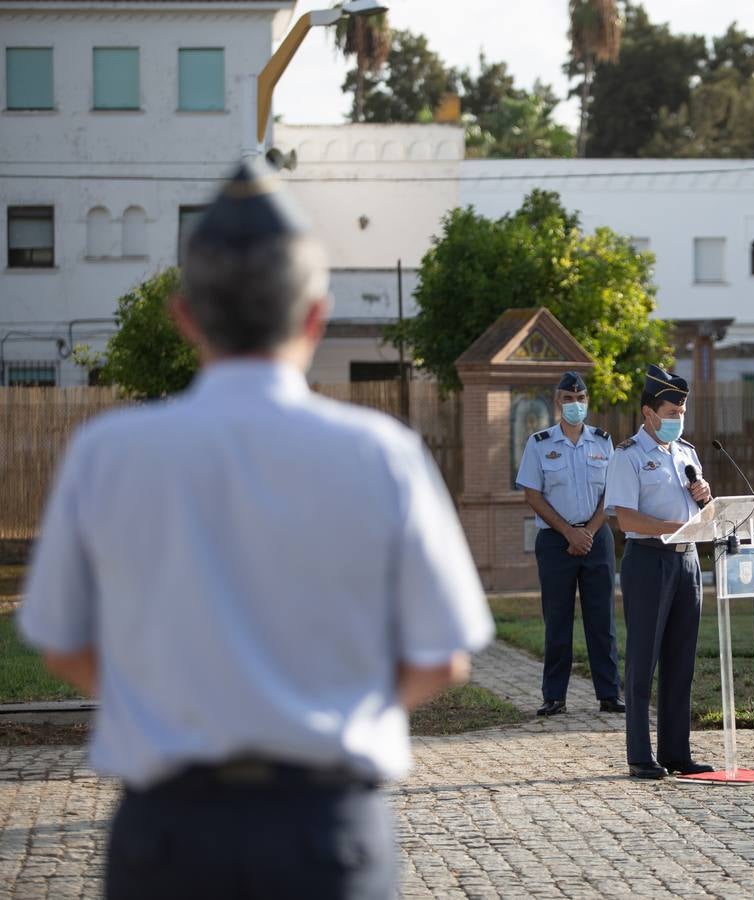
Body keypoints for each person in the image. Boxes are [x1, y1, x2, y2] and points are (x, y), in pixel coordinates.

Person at [18, 159, 494, 900]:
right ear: (315, 316)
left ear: (185, 316)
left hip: (167, 836)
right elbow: (443, 658)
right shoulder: (380, 454)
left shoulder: (108, 454)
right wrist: (326, 706)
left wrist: (170, 704)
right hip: (325, 836)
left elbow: (62, 642)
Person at [605, 364, 715, 779]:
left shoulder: (687, 453)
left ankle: (676, 753)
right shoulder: (627, 456)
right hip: (648, 561)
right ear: (648, 413)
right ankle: (640, 755)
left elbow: (700, 507)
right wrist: (675, 528)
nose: (677, 419)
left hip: (688, 561)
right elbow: (628, 519)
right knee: (643, 660)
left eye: (682, 412)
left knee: (680, 659)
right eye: (671, 412)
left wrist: (705, 497)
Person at [514, 371, 623, 716]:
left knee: (601, 620)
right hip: (555, 540)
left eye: (581, 398)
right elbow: (532, 494)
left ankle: (609, 694)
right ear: (557, 402)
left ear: (586, 400)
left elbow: (611, 492)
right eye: (567, 399)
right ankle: (554, 696)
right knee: (557, 619)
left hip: (597, 538)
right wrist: (568, 532)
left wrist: (588, 531)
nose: (575, 405)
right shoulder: (540, 443)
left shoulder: (603, 441)